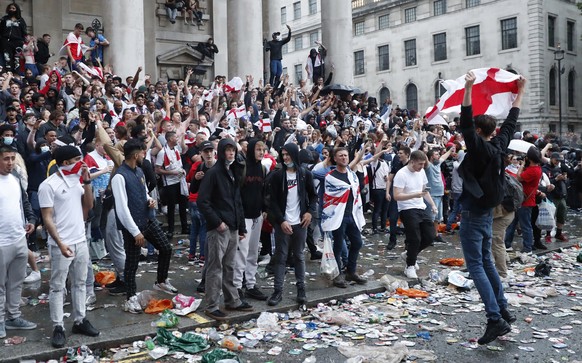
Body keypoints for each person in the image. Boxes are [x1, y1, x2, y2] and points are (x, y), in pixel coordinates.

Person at [457, 71, 525, 345]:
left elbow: (464, 119)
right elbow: (512, 120)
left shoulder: (478, 148)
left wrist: (469, 87)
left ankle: (495, 319)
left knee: (476, 266)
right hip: (486, 212)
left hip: (475, 213)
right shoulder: (499, 144)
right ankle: (503, 308)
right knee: (486, 262)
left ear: (477, 132)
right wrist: (521, 91)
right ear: (493, 131)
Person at [38, 146, 100, 348]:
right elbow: (47, 218)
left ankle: (80, 320)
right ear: (65, 162)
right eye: (77, 159)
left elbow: (89, 205)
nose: (81, 163)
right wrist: (60, 243)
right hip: (61, 243)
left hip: (80, 240)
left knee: (80, 283)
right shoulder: (48, 185)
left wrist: (88, 181)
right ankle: (58, 326)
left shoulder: (77, 180)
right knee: (57, 286)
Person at [112, 139, 177, 314]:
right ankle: (131, 297)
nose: (144, 155)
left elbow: (143, 192)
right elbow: (122, 208)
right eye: (142, 152)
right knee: (132, 263)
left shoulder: (139, 171)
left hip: (147, 220)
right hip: (132, 226)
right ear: (135, 154)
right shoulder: (119, 176)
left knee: (166, 248)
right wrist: (135, 232)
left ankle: (161, 280)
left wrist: (150, 200)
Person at [198, 138, 252, 320]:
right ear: (221, 152)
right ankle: (212, 305)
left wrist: (241, 226)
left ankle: (232, 300)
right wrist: (217, 222)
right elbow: (202, 201)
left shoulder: (232, 173)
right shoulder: (213, 173)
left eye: (233, 151)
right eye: (227, 150)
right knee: (215, 267)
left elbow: (237, 201)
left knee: (230, 266)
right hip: (219, 228)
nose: (231, 153)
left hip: (233, 226)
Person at [266, 143, 317, 306]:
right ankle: (277, 291)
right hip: (283, 224)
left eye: (288, 154)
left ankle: (301, 289)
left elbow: (313, 196)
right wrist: (281, 221)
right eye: (283, 154)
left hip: (300, 224)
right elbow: (272, 201)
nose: (285, 157)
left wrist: (309, 212)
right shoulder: (277, 176)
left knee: (299, 256)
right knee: (280, 258)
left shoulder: (304, 174)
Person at [0, 143, 37, 339]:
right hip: (1, 242)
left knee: (16, 282)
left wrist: (31, 220)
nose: (10, 163)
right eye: (6, 159)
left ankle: (13, 317)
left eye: (12, 159)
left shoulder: (14, 178)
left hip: (19, 239)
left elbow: (24, 202)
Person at [321, 147, 367, 288]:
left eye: (346, 155)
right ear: (335, 158)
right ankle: (337, 275)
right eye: (340, 156)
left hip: (351, 214)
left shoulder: (352, 175)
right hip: (337, 215)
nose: (344, 158)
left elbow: (355, 192)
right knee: (338, 245)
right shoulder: (330, 177)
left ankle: (351, 271)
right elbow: (330, 196)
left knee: (357, 242)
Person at [393, 150, 437, 279]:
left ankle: (409, 254)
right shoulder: (401, 174)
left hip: (421, 206)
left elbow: (425, 190)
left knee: (430, 236)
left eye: (423, 164)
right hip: (407, 208)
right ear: (412, 162)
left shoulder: (421, 172)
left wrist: (432, 204)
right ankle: (410, 265)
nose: (422, 167)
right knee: (415, 238)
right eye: (420, 164)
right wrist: (415, 195)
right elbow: (397, 195)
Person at [235, 139, 269, 301]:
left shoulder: (262, 169)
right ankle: (236, 287)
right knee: (241, 253)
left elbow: (263, 192)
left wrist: (264, 209)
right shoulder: (242, 167)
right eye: (258, 149)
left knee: (253, 253)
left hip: (257, 216)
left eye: (263, 149)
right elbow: (237, 195)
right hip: (243, 218)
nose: (261, 152)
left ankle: (250, 284)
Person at [504, 146, 543, 253]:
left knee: (525, 225)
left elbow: (519, 177)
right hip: (522, 200)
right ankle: (507, 244)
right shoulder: (537, 168)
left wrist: (521, 165)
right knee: (513, 223)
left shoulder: (533, 170)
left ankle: (527, 248)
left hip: (525, 201)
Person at [543, 152, 569, 242]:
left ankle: (559, 233)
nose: (557, 162)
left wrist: (564, 178)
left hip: (561, 195)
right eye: (556, 160)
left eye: (559, 161)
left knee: (562, 215)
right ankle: (548, 234)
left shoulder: (559, 168)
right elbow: (544, 183)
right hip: (551, 196)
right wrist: (556, 179)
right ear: (551, 158)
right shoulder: (545, 169)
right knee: (550, 216)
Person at [0, 3, 27, 72]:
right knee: (7, 59)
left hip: (17, 42)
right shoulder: (4, 19)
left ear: (16, 10)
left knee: (16, 60)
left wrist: (23, 41)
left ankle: (16, 75)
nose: (11, 9)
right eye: (10, 8)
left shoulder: (21, 20)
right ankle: (8, 73)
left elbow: (24, 32)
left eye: (13, 8)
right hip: (6, 41)